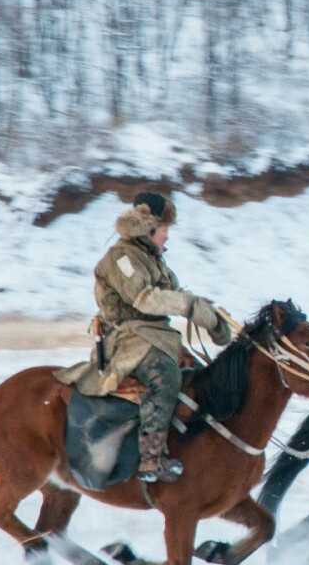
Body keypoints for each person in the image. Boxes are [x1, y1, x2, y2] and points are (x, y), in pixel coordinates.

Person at [56, 192, 231, 483]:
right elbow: (144, 298)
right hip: (128, 340)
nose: (167, 238)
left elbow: (172, 295)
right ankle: (151, 459)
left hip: (156, 337)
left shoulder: (152, 258)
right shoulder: (122, 258)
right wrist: (189, 306)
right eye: (165, 231)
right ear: (148, 229)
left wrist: (207, 312)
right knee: (165, 376)